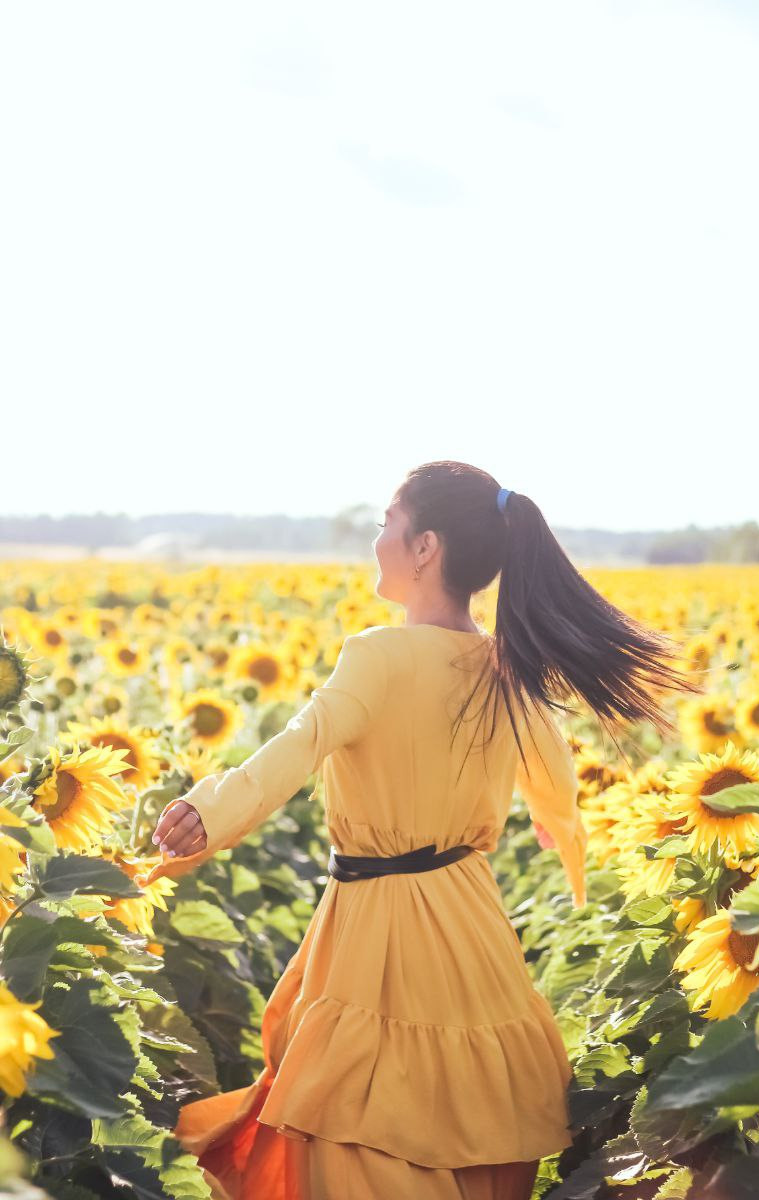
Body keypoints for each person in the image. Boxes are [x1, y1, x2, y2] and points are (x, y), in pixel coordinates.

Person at [141, 460, 702, 1199]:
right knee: (473, 1125)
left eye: (386, 524)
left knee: (360, 1125)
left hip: (379, 929)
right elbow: (554, 777)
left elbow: (297, 749)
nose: (377, 540)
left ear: (425, 546)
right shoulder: (507, 667)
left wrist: (206, 813)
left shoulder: (377, 656)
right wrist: (553, 829)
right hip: (471, 922)